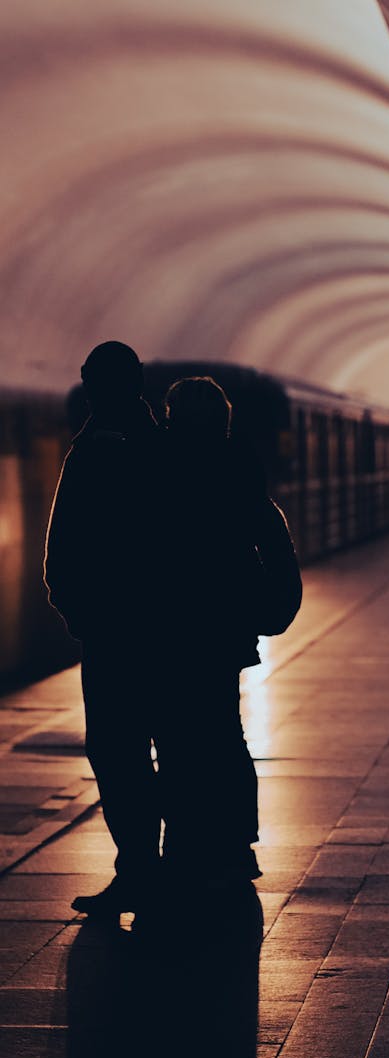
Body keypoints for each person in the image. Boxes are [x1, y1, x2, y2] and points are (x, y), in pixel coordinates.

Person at [151, 376, 301, 890]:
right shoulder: (239, 463)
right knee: (223, 735)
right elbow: (272, 539)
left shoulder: (158, 462)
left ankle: (183, 843)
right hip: (222, 627)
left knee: (174, 739)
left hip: (169, 626)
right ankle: (236, 844)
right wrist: (273, 609)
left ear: (171, 415)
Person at [44, 341, 161, 919]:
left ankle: (139, 869)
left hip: (115, 630)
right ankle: (169, 866)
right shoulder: (164, 445)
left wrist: (74, 607)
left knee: (117, 750)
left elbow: (71, 538)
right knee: (166, 747)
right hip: (159, 627)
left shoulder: (99, 446)